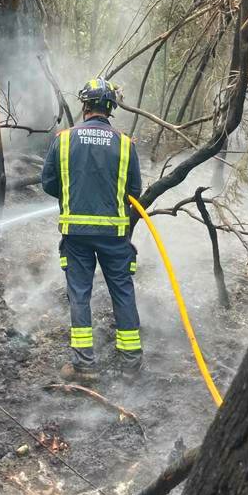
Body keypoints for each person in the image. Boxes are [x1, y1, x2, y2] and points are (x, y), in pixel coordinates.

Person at [41, 77, 143, 379]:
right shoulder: (125, 144)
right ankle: (131, 363)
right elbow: (134, 191)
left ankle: (84, 364)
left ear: (84, 105)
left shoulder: (63, 139)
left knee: (80, 295)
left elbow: (48, 184)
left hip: (76, 236)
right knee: (123, 292)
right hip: (115, 236)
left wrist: (74, 196)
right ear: (110, 108)